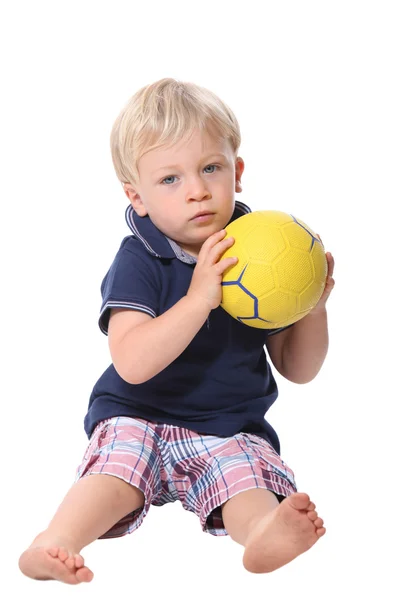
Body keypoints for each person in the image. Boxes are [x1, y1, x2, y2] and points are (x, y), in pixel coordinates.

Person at [19, 78, 335, 584]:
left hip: (226, 424)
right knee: (114, 470)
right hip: (138, 414)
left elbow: (298, 369)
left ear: (237, 173)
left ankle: (260, 534)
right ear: (136, 197)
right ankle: (54, 541)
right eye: (170, 179)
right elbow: (133, 362)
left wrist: (312, 309)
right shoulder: (138, 259)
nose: (196, 190)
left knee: (242, 473)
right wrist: (199, 298)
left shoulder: (260, 253)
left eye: (211, 168)